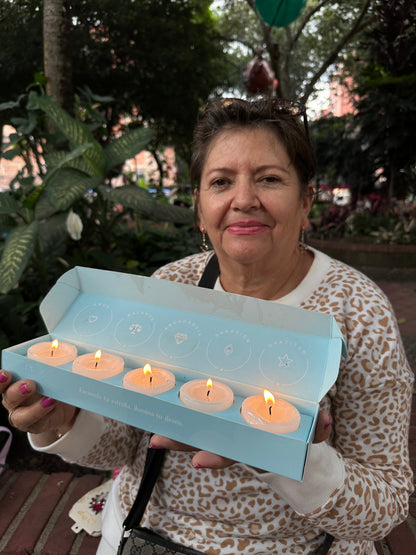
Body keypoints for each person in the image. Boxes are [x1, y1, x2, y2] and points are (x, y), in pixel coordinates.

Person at [1, 97, 414, 555]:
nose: (243, 200)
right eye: (221, 181)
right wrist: (63, 421)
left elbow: (386, 503)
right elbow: (124, 446)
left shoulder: (356, 310)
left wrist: (288, 455)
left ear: (306, 201)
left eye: (270, 179)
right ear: (200, 208)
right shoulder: (170, 287)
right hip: (146, 535)